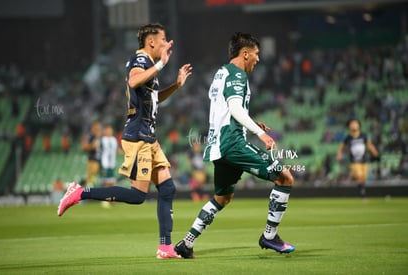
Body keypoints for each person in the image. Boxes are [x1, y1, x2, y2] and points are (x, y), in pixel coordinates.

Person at [57, 23, 193, 259]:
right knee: (138, 196)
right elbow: (133, 81)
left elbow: (154, 98)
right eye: (163, 40)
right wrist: (162, 64)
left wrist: (177, 86)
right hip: (138, 135)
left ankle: (165, 247)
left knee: (168, 187)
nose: (166, 43)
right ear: (151, 42)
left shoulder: (149, 65)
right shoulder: (139, 60)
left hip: (149, 136)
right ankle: (80, 192)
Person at [174, 32, 295, 259]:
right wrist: (260, 133)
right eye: (256, 54)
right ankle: (269, 236)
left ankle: (186, 244)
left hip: (219, 146)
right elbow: (235, 109)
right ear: (245, 53)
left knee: (222, 198)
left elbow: (225, 109)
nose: (258, 59)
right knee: (285, 178)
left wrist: (248, 122)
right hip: (232, 143)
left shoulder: (220, 73)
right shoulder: (238, 75)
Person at [336, 118, 379, 199]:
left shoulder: (363, 136)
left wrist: (374, 152)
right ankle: (363, 194)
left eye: (355, 123)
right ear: (349, 126)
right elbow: (341, 147)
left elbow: (369, 145)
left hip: (363, 160)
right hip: (354, 161)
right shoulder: (348, 137)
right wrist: (339, 154)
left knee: (363, 177)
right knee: (359, 175)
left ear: (359, 125)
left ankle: (360, 190)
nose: (354, 125)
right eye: (352, 124)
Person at [81, 121, 102, 186]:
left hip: (100, 161)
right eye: (96, 129)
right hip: (92, 160)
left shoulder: (101, 137)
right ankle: (88, 190)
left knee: (97, 179)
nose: (98, 130)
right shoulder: (90, 137)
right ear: (92, 128)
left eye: (99, 129)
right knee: (91, 178)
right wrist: (92, 145)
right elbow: (84, 147)